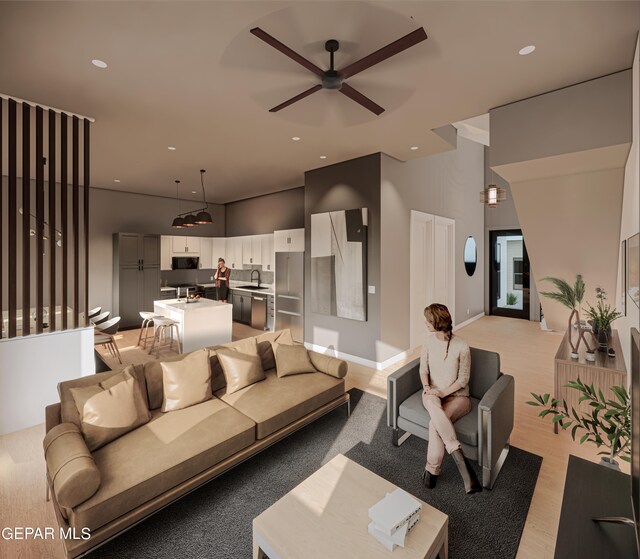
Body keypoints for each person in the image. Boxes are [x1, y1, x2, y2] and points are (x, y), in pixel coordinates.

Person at [420, 303, 482, 494]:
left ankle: (432, 471)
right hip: (432, 394)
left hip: (458, 398)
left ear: (438, 322)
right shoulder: (428, 342)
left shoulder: (461, 345)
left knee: (434, 425)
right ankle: (458, 455)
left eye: (429, 321)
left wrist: (442, 392)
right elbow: (423, 370)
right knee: (432, 405)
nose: (425, 324)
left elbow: (463, 380)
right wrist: (428, 388)